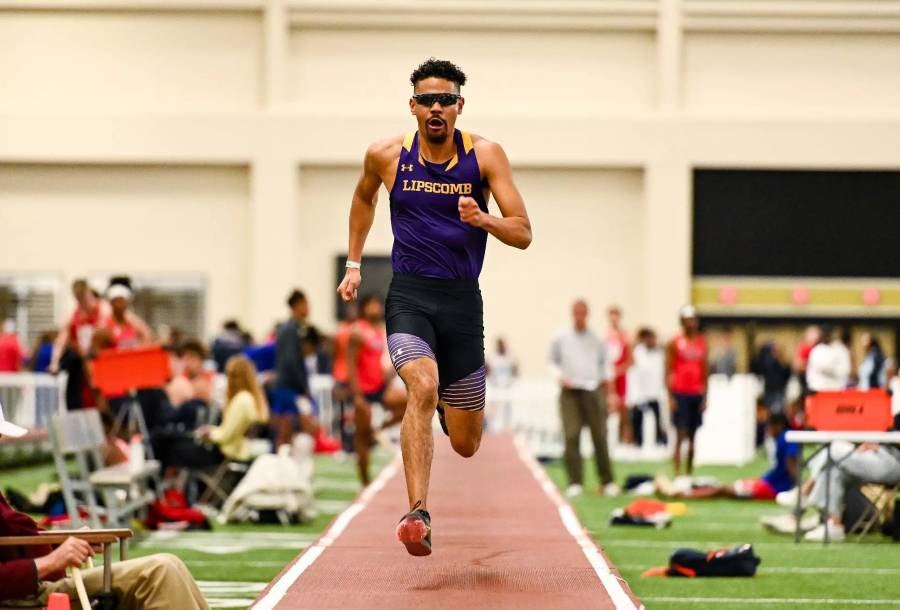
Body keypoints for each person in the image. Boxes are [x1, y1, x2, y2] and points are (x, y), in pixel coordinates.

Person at [336, 58, 531, 556]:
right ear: (413, 106)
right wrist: (354, 262)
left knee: (466, 444)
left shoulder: (485, 156)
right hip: (410, 294)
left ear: (460, 107)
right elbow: (363, 200)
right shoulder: (385, 156)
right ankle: (417, 513)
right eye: (427, 100)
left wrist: (482, 218)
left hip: (462, 301)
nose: (436, 108)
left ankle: (448, 409)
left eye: (445, 99)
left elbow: (523, 232)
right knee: (421, 385)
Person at [0, 404, 210, 610]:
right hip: (25, 595)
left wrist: (61, 542)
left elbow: (12, 541)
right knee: (160, 571)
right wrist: (53, 560)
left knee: (170, 564)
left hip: (34, 586)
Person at [550, 300, 618, 499]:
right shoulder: (561, 337)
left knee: (600, 436)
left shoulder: (597, 338)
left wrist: (610, 392)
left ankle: (607, 481)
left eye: (583, 313)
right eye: (576, 313)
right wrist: (559, 376)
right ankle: (575, 482)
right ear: (572, 313)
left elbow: (606, 364)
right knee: (571, 436)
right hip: (570, 392)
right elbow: (551, 361)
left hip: (592, 390)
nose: (580, 316)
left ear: (587, 314)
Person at [154, 355, 269, 471]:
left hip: (227, 453)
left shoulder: (241, 400)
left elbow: (226, 435)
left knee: (168, 448)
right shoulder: (250, 399)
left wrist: (209, 433)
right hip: (236, 449)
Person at [656, 413, 798, 501]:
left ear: (778, 426)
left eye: (770, 426)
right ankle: (684, 489)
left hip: (773, 488)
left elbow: (792, 464)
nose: (768, 430)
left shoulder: (786, 439)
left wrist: (796, 490)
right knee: (725, 487)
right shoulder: (786, 437)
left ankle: (682, 494)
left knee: (722, 490)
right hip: (768, 483)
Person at [347, 294, 407, 486]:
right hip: (362, 390)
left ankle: (379, 429)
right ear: (364, 308)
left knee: (409, 402)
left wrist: (389, 373)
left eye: (378, 305)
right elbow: (351, 364)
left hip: (380, 386)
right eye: (372, 304)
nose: (376, 308)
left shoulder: (380, 331)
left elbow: (379, 360)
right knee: (361, 439)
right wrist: (356, 396)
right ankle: (365, 482)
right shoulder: (358, 331)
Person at [667, 305, 708, 476]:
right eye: (689, 320)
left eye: (694, 319)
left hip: (696, 393)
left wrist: (706, 396)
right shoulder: (675, 342)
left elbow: (705, 370)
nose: (692, 323)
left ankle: (689, 473)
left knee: (693, 436)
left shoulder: (701, 342)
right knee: (680, 435)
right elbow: (668, 370)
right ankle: (677, 473)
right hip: (680, 392)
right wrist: (670, 396)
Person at [272, 289, 310, 449]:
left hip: (287, 385)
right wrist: (303, 386)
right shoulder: (290, 330)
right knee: (285, 430)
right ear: (298, 305)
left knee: (287, 430)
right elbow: (290, 361)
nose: (308, 308)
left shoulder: (291, 328)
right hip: (287, 387)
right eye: (306, 304)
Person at [629, 328, 668, 448]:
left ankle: (660, 442)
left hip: (656, 393)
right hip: (641, 393)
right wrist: (636, 395)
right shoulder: (638, 352)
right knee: (637, 419)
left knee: (659, 420)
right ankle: (637, 442)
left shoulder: (660, 353)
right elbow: (634, 374)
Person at [605, 306, 633, 444]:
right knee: (606, 409)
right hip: (607, 379)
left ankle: (624, 440)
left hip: (621, 378)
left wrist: (619, 370)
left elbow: (630, 360)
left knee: (623, 410)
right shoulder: (604, 336)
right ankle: (605, 441)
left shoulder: (625, 337)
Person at [102, 279, 152, 348]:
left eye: (122, 301)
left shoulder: (134, 322)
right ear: (111, 303)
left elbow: (147, 336)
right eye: (117, 301)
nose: (120, 305)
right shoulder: (105, 324)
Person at [486, 337, 518, 432]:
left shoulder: (510, 357)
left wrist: (512, 380)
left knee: (508, 409)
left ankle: (507, 427)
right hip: (496, 387)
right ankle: (492, 428)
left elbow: (515, 370)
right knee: (494, 408)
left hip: (507, 387)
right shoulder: (492, 357)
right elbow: (488, 370)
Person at [806, 325, 850, 391]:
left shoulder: (840, 349)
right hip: (818, 390)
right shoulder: (816, 350)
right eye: (824, 333)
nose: (826, 336)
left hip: (835, 391)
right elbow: (811, 372)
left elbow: (845, 370)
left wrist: (830, 369)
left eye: (828, 333)